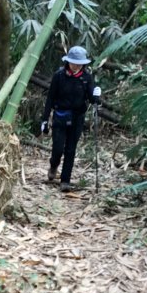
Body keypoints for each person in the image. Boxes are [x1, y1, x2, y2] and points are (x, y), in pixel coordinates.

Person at [40, 46, 101, 192]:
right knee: (58, 148)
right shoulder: (59, 76)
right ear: (68, 61)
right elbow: (50, 98)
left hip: (77, 118)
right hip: (60, 116)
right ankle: (54, 165)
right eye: (74, 63)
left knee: (71, 150)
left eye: (79, 63)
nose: (76, 66)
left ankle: (65, 180)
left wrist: (97, 97)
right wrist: (44, 120)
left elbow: (92, 100)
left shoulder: (86, 78)